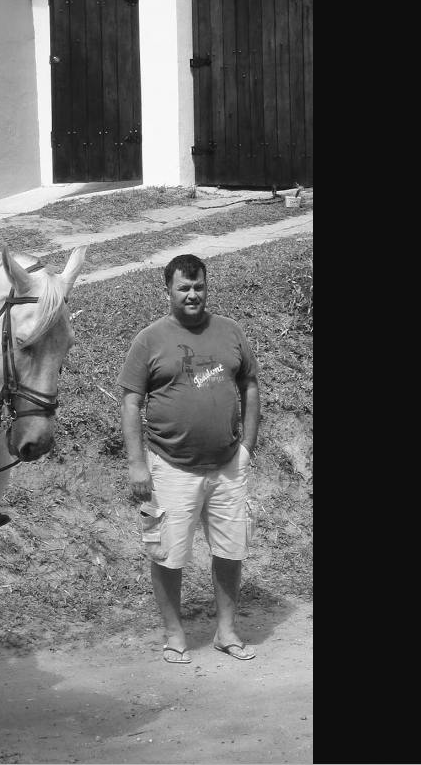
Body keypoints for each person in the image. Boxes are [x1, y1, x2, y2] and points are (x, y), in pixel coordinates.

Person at [118, 254, 261, 664]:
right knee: (168, 554)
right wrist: (136, 463)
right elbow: (131, 401)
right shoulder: (149, 339)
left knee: (231, 550)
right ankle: (174, 633)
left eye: (199, 286)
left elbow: (250, 384)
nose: (192, 294)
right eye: (184, 287)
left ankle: (226, 631)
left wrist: (247, 446)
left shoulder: (230, 332)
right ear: (168, 290)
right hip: (170, 465)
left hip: (229, 464)